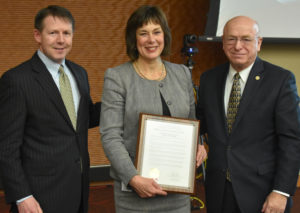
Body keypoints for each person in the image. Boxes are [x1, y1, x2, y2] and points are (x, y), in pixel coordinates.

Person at [100, 5, 207, 213]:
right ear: (134, 38)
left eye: (156, 32)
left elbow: (191, 123)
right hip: (134, 194)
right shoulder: (117, 77)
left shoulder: (182, 73)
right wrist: (133, 178)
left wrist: (198, 146)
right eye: (143, 33)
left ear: (164, 35)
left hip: (177, 195)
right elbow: (110, 135)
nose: (151, 40)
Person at [0, 5, 100, 213]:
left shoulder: (79, 73)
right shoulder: (17, 80)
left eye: (66, 33)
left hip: (78, 188)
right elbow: (6, 147)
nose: (61, 40)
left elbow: (81, 118)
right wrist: (22, 196)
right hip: (38, 197)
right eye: (53, 33)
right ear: (38, 35)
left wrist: (122, 102)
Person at [196, 16, 300, 213]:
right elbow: (201, 121)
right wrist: (196, 141)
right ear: (223, 43)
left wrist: (281, 191)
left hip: (263, 192)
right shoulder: (209, 78)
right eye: (231, 39)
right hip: (218, 190)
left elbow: (292, 140)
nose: (238, 46)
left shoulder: (280, 80)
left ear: (258, 43)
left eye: (246, 39)